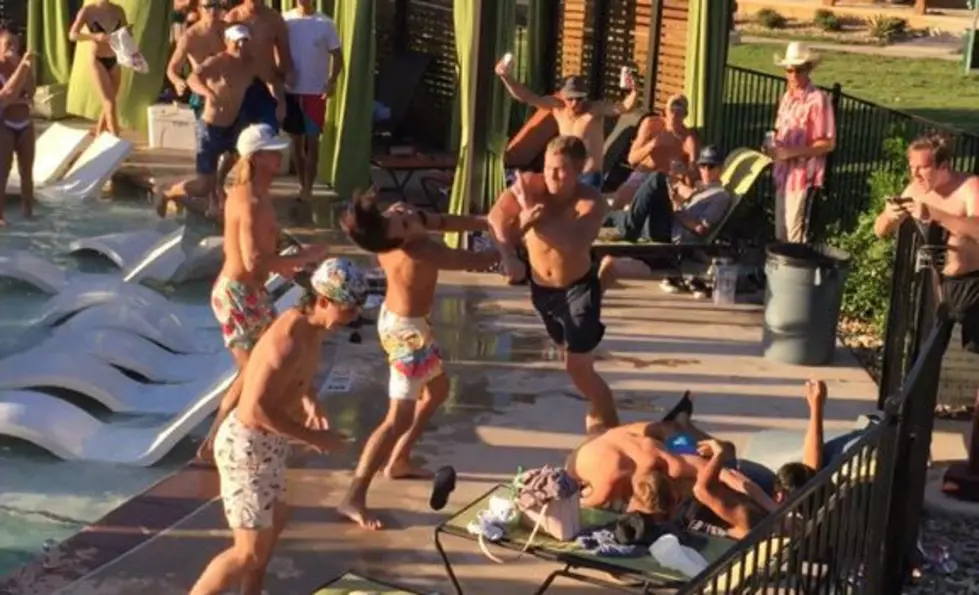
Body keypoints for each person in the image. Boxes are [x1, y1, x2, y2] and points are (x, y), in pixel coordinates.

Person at [189, 257, 365, 595]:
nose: (354, 317)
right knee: (247, 552)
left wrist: (309, 399)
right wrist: (314, 437)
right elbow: (254, 411)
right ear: (324, 301)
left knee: (269, 536)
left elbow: (297, 377)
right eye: (349, 309)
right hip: (246, 448)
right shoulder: (287, 339)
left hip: (269, 447)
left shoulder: (311, 328)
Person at [337, 191, 500, 529]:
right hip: (405, 335)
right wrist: (514, 241)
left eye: (405, 213)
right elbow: (475, 261)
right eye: (407, 221)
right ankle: (353, 496)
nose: (409, 212)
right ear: (398, 238)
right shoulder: (421, 251)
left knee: (438, 390)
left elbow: (441, 221)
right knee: (396, 419)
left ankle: (399, 460)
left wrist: (487, 220)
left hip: (409, 325)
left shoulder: (397, 222)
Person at [197, 123, 329, 462]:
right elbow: (254, 261)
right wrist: (303, 258)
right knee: (253, 371)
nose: (280, 156)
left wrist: (293, 258)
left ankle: (227, 440)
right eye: (274, 152)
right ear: (258, 158)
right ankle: (214, 444)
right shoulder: (251, 200)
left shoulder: (252, 194)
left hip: (248, 294)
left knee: (265, 365)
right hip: (239, 294)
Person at [488, 135, 618, 435]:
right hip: (542, 291)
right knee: (575, 362)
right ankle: (607, 279)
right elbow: (496, 217)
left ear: (580, 170)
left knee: (577, 368)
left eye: (561, 171)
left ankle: (611, 433)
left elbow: (574, 243)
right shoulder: (531, 186)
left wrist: (531, 216)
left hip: (577, 289)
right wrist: (508, 254)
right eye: (548, 169)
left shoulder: (591, 202)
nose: (552, 177)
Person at [566, 392, 775, 518]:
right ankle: (681, 422)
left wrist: (773, 508)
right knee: (599, 430)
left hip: (655, 434)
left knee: (720, 452)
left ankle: (682, 422)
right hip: (605, 447)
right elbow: (582, 504)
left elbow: (729, 475)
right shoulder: (609, 482)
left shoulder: (670, 461)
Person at [874, 133, 979, 354]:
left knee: (972, 361)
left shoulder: (969, 187)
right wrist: (889, 217)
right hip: (933, 285)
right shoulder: (914, 190)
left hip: (971, 285)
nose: (915, 174)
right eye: (912, 167)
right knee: (927, 356)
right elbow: (880, 231)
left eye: (922, 168)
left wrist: (936, 214)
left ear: (943, 166)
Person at [156, 24, 259, 219]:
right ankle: (168, 193)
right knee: (203, 186)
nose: (240, 45)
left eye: (244, 41)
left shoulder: (250, 64)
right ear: (227, 42)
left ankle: (220, 188)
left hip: (233, 124)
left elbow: (269, 76)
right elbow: (194, 78)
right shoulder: (217, 62)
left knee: (243, 152)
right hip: (211, 128)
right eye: (236, 41)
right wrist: (209, 93)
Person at [597, 145, 732, 292]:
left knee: (657, 178)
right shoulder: (702, 189)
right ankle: (601, 226)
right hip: (667, 224)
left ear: (721, 168)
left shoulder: (720, 196)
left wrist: (676, 210)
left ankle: (630, 228)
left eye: (711, 166)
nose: (705, 171)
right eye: (702, 166)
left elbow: (701, 228)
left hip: (670, 233)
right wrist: (676, 199)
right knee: (615, 215)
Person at [494, 65, 638, 190]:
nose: (575, 103)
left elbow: (624, 107)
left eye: (580, 98)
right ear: (563, 96)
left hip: (589, 176)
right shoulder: (558, 107)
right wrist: (506, 77)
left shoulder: (594, 110)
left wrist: (634, 91)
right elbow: (527, 97)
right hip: (565, 174)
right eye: (571, 99)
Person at [765, 42, 836, 243]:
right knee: (780, 235)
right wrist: (773, 148)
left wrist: (792, 152)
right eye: (790, 70)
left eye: (799, 70)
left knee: (795, 239)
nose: (794, 75)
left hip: (803, 178)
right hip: (783, 177)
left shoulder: (818, 100)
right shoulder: (786, 98)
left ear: (808, 70)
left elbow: (828, 143)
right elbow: (781, 133)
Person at [166, 0, 232, 218]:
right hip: (204, 97)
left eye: (218, 6)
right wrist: (177, 81)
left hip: (231, 95)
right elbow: (172, 69)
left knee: (237, 148)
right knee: (210, 149)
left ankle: (219, 181)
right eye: (208, 6)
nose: (213, 11)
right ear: (199, 9)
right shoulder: (191, 37)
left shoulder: (227, 31)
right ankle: (212, 197)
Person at [282, 0, 343, 204]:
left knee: (313, 143)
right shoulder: (286, 20)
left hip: (315, 92)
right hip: (291, 91)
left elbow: (338, 56)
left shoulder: (325, 23)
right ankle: (301, 184)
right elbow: (276, 49)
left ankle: (308, 188)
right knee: (296, 143)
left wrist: (331, 82)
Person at [612, 94, 699, 210]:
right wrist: (653, 144)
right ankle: (610, 219)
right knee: (621, 195)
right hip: (644, 174)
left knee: (691, 196)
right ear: (665, 111)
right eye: (672, 110)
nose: (674, 115)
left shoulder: (688, 139)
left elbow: (694, 176)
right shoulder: (651, 124)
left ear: (685, 115)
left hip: (668, 181)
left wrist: (685, 171)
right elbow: (632, 159)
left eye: (679, 111)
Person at [225, 0, 294, 132]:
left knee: (269, 129)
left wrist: (283, 89)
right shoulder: (233, 17)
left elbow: (284, 52)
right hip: (239, 83)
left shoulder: (274, 19)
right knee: (239, 134)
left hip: (266, 81)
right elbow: (223, 53)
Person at [68, 0, 130, 137]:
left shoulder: (118, 10)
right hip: (97, 59)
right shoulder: (88, 11)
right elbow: (73, 34)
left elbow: (125, 31)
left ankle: (99, 132)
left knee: (110, 100)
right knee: (109, 102)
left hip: (115, 59)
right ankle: (115, 139)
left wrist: (127, 37)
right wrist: (94, 36)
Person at [0, 28, 37, 226]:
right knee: (2, 170)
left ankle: (28, 211)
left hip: (25, 123)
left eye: (15, 45)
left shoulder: (23, 68)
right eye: (7, 45)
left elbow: (31, 93)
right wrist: (21, 68)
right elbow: (7, 96)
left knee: (27, 172)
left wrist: (24, 69)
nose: (12, 49)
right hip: (4, 124)